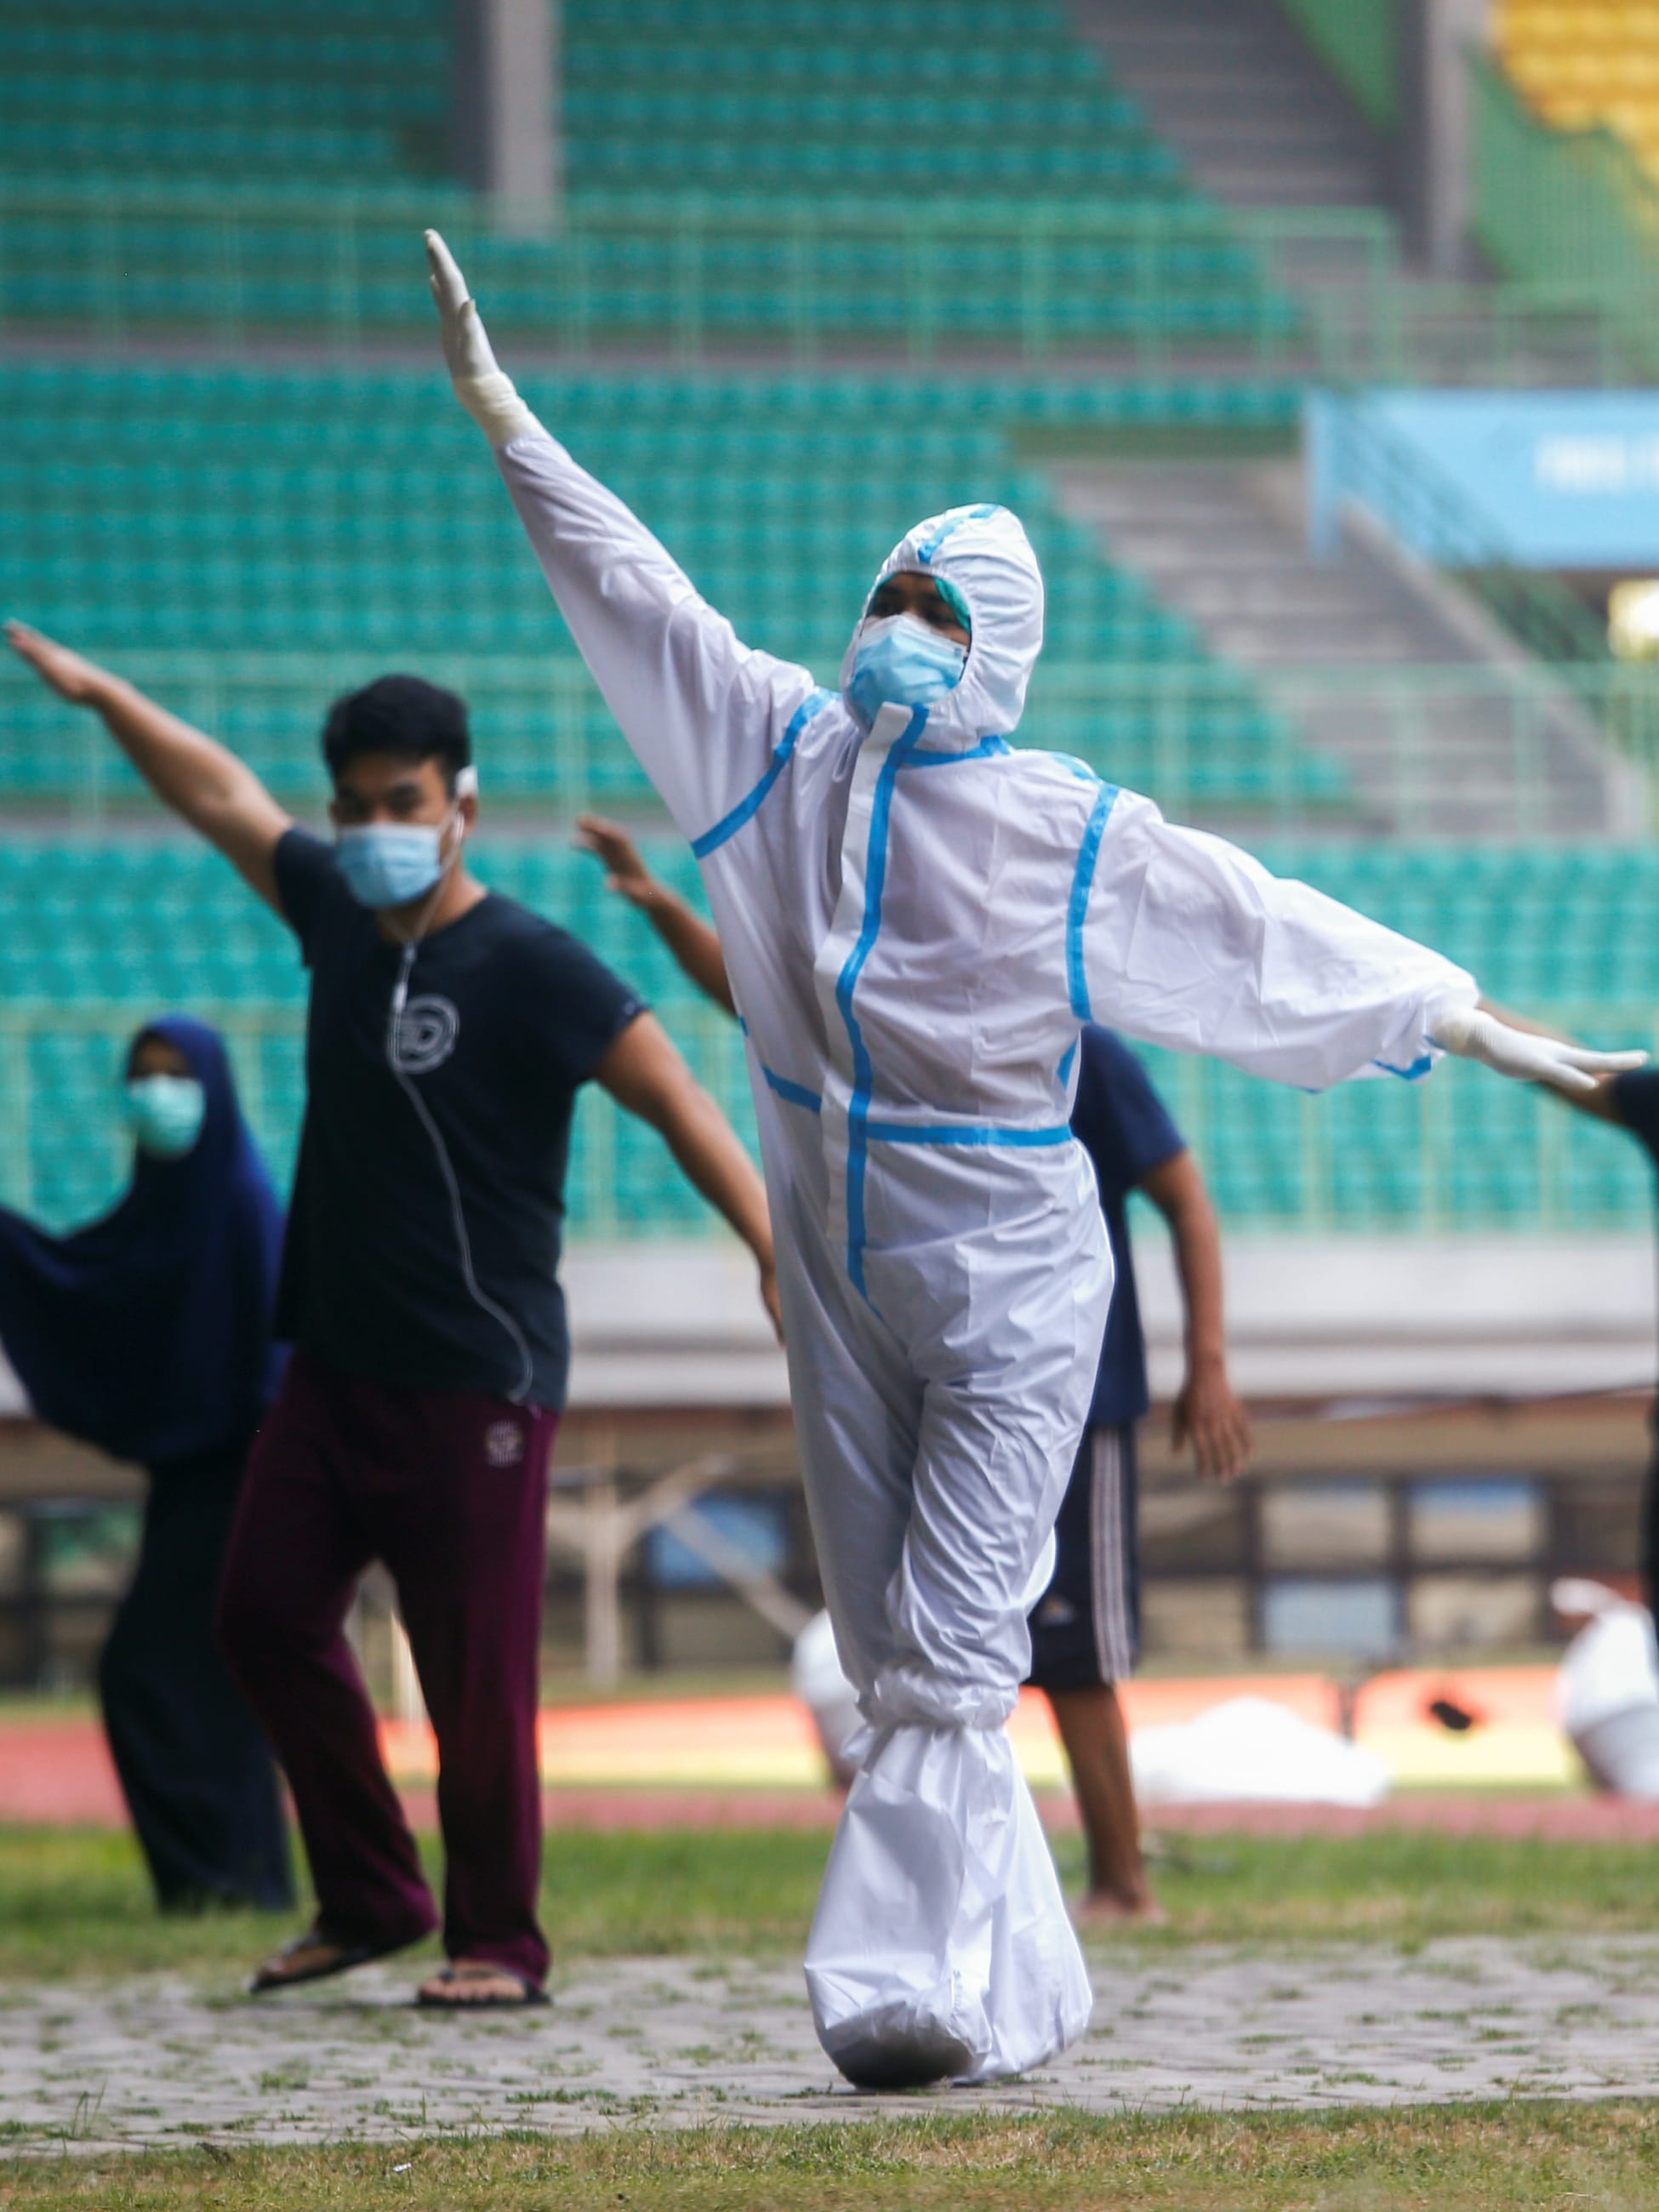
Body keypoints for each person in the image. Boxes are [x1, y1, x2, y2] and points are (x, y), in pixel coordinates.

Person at [426, 228, 1639, 2084]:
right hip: (840, 1272)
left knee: (953, 1639)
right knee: (894, 1628)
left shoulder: (1070, 831)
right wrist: (507, 418)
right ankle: (1020, 1987)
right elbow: (642, 596)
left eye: (940, 606)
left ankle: (896, 1992)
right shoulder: (777, 756)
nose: (898, 624)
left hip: (1012, 1279)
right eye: (893, 588)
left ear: (1002, 651)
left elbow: (1267, 932)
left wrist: (1476, 1025)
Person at [2, 629, 779, 2012]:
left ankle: (499, 1943)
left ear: (460, 803)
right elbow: (224, 798)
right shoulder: (334, 920)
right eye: (353, 807)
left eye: (400, 805)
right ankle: (369, 1892)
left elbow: (677, 1098)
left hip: (478, 1381)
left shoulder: (532, 966)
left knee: (471, 1673)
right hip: (329, 1370)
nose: (369, 832)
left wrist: (772, 1246)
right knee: (258, 1618)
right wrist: (109, 695)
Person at [579, 821, 1249, 1922]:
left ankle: (1122, 1880)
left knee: (1070, 1649)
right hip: (934, 1381)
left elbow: (1183, 1197)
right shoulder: (889, 1030)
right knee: (928, 1637)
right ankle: (946, 1883)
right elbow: (756, 999)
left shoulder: (1079, 1054)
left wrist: (1206, 1362)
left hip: (1072, 1400)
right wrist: (657, 906)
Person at [0, 1015, 292, 1913]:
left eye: (176, 1074)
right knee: (206, 1675)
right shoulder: (164, 1202)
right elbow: (94, 1282)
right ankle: (233, 1880)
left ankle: (221, 1877)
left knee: (152, 1669)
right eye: (143, 1074)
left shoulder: (240, 1204)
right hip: (193, 1480)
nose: (156, 1092)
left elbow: (275, 1353)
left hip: (247, 1474)